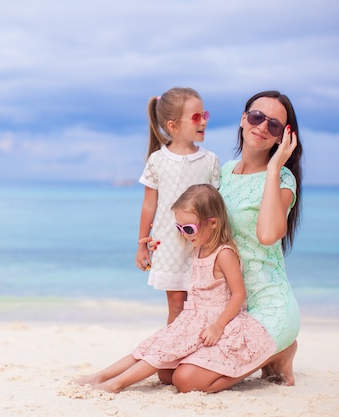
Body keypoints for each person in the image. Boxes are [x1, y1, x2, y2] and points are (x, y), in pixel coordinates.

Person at [157, 90, 303, 393]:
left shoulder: (284, 180)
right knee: (166, 372)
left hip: (267, 306)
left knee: (186, 380)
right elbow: (199, 226)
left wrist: (274, 168)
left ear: (281, 138)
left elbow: (266, 235)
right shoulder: (223, 172)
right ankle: (266, 355)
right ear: (243, 119)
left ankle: (280, 349)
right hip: (225, 307)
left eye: (274, 125)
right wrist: (156, 239)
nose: (262, 127)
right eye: (256, 117)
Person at [74, 184, 276, 393]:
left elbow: (239, 294)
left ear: (213, 223)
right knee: (155, 353)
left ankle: (117, 384)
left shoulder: (224, 254)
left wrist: (217, 326)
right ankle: (102, 375)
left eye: (189, 228)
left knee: (170, 366)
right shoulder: (197, 249)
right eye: (180, 228)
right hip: (193, 319)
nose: (184, 234)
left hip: (217, 321)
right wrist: (150, 246)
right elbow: (167, 241)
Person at [136, 87, 220, 325]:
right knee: (176, 305)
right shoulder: (158, 160)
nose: (203, 121)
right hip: (169, 245)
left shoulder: (210, 160)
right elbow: (149, 204)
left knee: (202, 303)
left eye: (204, 115)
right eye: (195, 117)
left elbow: (216, 204)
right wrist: (142, 244)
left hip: (203, 245)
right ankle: (171, 355)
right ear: (172, 125)